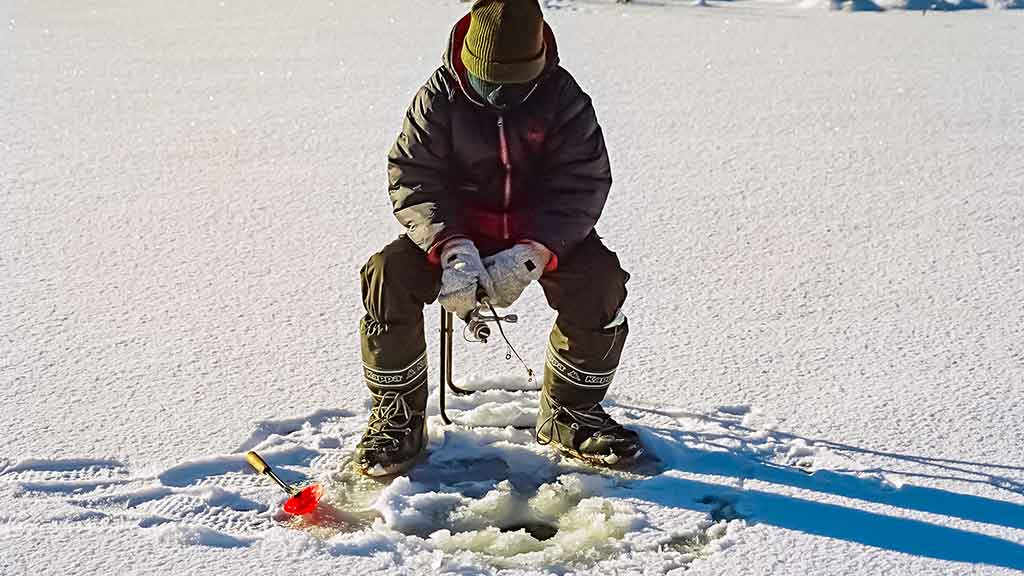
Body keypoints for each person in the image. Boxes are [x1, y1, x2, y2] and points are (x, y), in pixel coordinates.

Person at [354, 0, 641, 476]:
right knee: (387, 274)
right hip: (458, 233)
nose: (499, 99)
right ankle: (398, 417)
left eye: (514, 89)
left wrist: (536, 250)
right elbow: (412, 175)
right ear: (468, 62)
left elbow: (583, 182)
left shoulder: (563, 98)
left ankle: (571, 412)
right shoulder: (439, 97)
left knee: (600, 279)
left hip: (539, 236)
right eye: (489, 86)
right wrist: (449, 245)